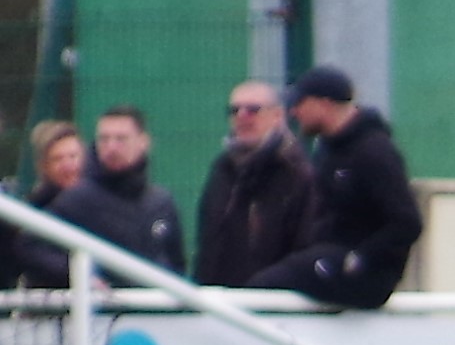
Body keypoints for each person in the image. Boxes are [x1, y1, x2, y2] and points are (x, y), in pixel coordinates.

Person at [248, 67, 424, 308]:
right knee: (267, 281)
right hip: (329, 256)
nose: (294, 111)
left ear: (324, 104)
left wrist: (360, 258)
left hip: (367, 274)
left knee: (265, 288)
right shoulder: (328, 153)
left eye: (300, 103)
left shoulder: (374, 152)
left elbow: (407, 222)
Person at [17, 107, 185, 283]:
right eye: (104, 139)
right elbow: (30, 246)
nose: (111, 147)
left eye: (121, 139)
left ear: (144, 141)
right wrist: (80, 275)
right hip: (103, 308)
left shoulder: (161, 202)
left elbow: (176, 265)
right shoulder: (78, 199)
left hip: (156, 306)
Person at [194, 80, 316, 287]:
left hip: (272, 305)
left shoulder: (297, 174)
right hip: (218, 303)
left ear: (277, 116)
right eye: (234, 110)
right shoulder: (221, 171)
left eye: (253, 110)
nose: (242, 117)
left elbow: (304, 247)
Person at [8, 122, 86, 288]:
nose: (68, 166)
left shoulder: (106, 201)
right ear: (43, 166)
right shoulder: (32, 212)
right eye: (58, 159)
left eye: (73, 156)